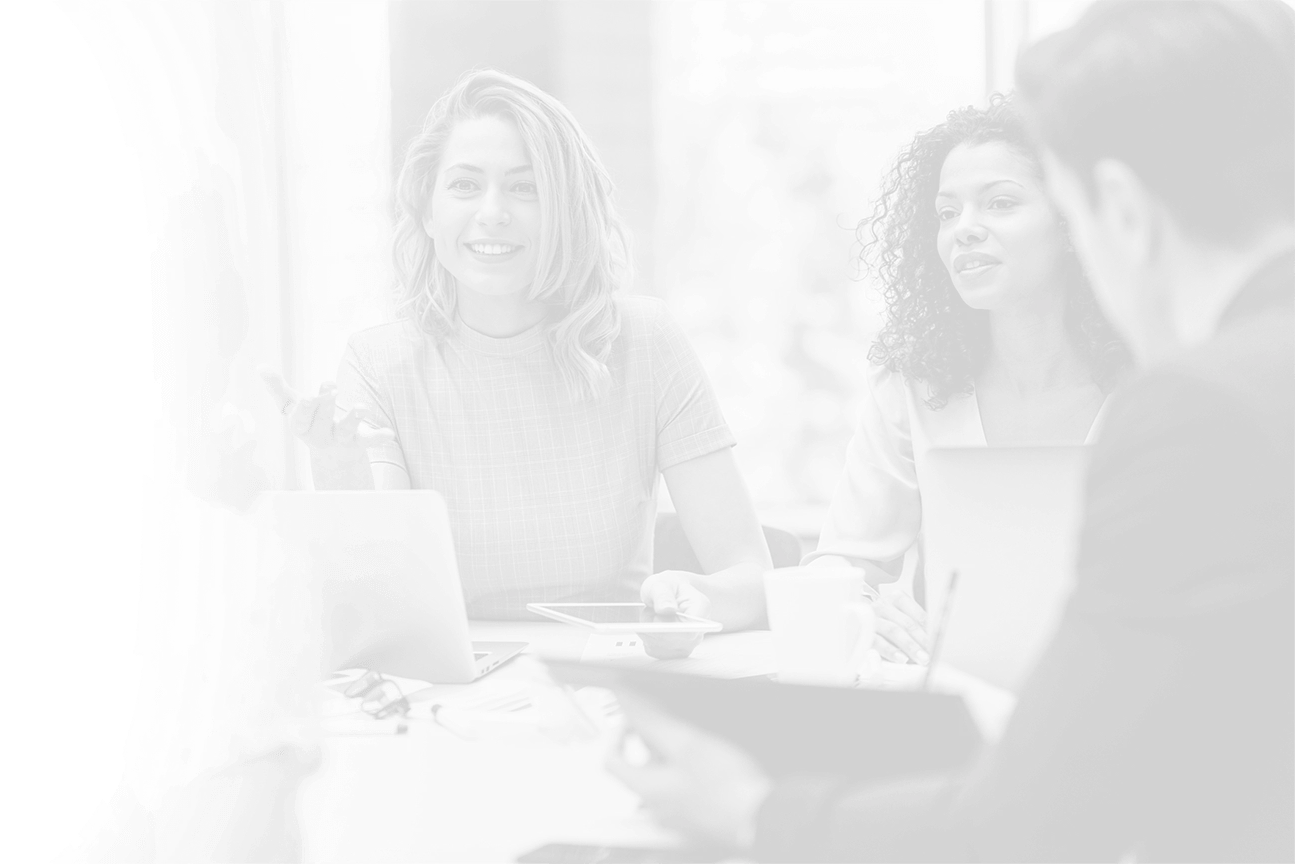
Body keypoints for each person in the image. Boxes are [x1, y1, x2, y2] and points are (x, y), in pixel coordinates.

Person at [601, 0, 1295, 859]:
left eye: (1032, 203)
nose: (966, 232)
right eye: (945, 213)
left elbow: (1041, 813)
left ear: (1112, 210)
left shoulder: (1204, 410)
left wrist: (754, 810)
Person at [256, 68, 773, 659]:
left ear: (566, 210)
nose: (493, 212)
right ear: (427, 212)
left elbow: (751, 575)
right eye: (465, 186)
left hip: (609, 676)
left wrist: (698, 597)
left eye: (524, 188)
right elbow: (380, 590)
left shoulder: (644, 341)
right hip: (446, 688)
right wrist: (339, 467)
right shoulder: (378, 362)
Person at [802, 93, 1133, 666]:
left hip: (1120, 680)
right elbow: (839, 562)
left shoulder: (1156, 381)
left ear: (1070, 219)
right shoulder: (915, 383)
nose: (964, 231)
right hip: (958, 685)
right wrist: (860, 605)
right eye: (947, 213)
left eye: (1000, 204)